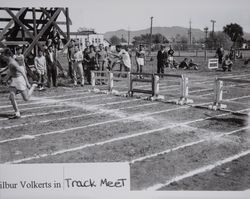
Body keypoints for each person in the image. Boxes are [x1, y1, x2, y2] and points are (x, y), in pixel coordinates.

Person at [0, 48, 37, 119]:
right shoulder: (9, 61)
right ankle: (17, 113)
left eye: (3, 55)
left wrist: (27, 83)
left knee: (26, 99)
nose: (2, 57)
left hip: (20, 80)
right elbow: (8, 68)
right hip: (14, 80)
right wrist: (2, 71)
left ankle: (33, 86)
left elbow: (22, 72)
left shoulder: (13, 63)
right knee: (11, 97)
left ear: (7, 55)